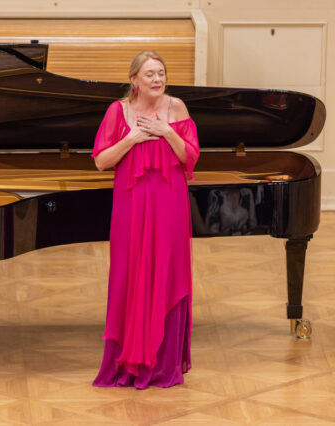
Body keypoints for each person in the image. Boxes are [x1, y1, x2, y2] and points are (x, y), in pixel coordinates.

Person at [91, 51, 200, 388]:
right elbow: (101, 161)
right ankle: (129, 364)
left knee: (167, 271)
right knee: (130, 273)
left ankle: (165, 365)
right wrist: (131, 139)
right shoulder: (118, 111)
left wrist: (167, 132)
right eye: (150, 74)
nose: (157, 79)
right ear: (134, 80)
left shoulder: (177, 108)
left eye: (161, 73)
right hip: (131, 206)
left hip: (170, 206)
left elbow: (190, 158)